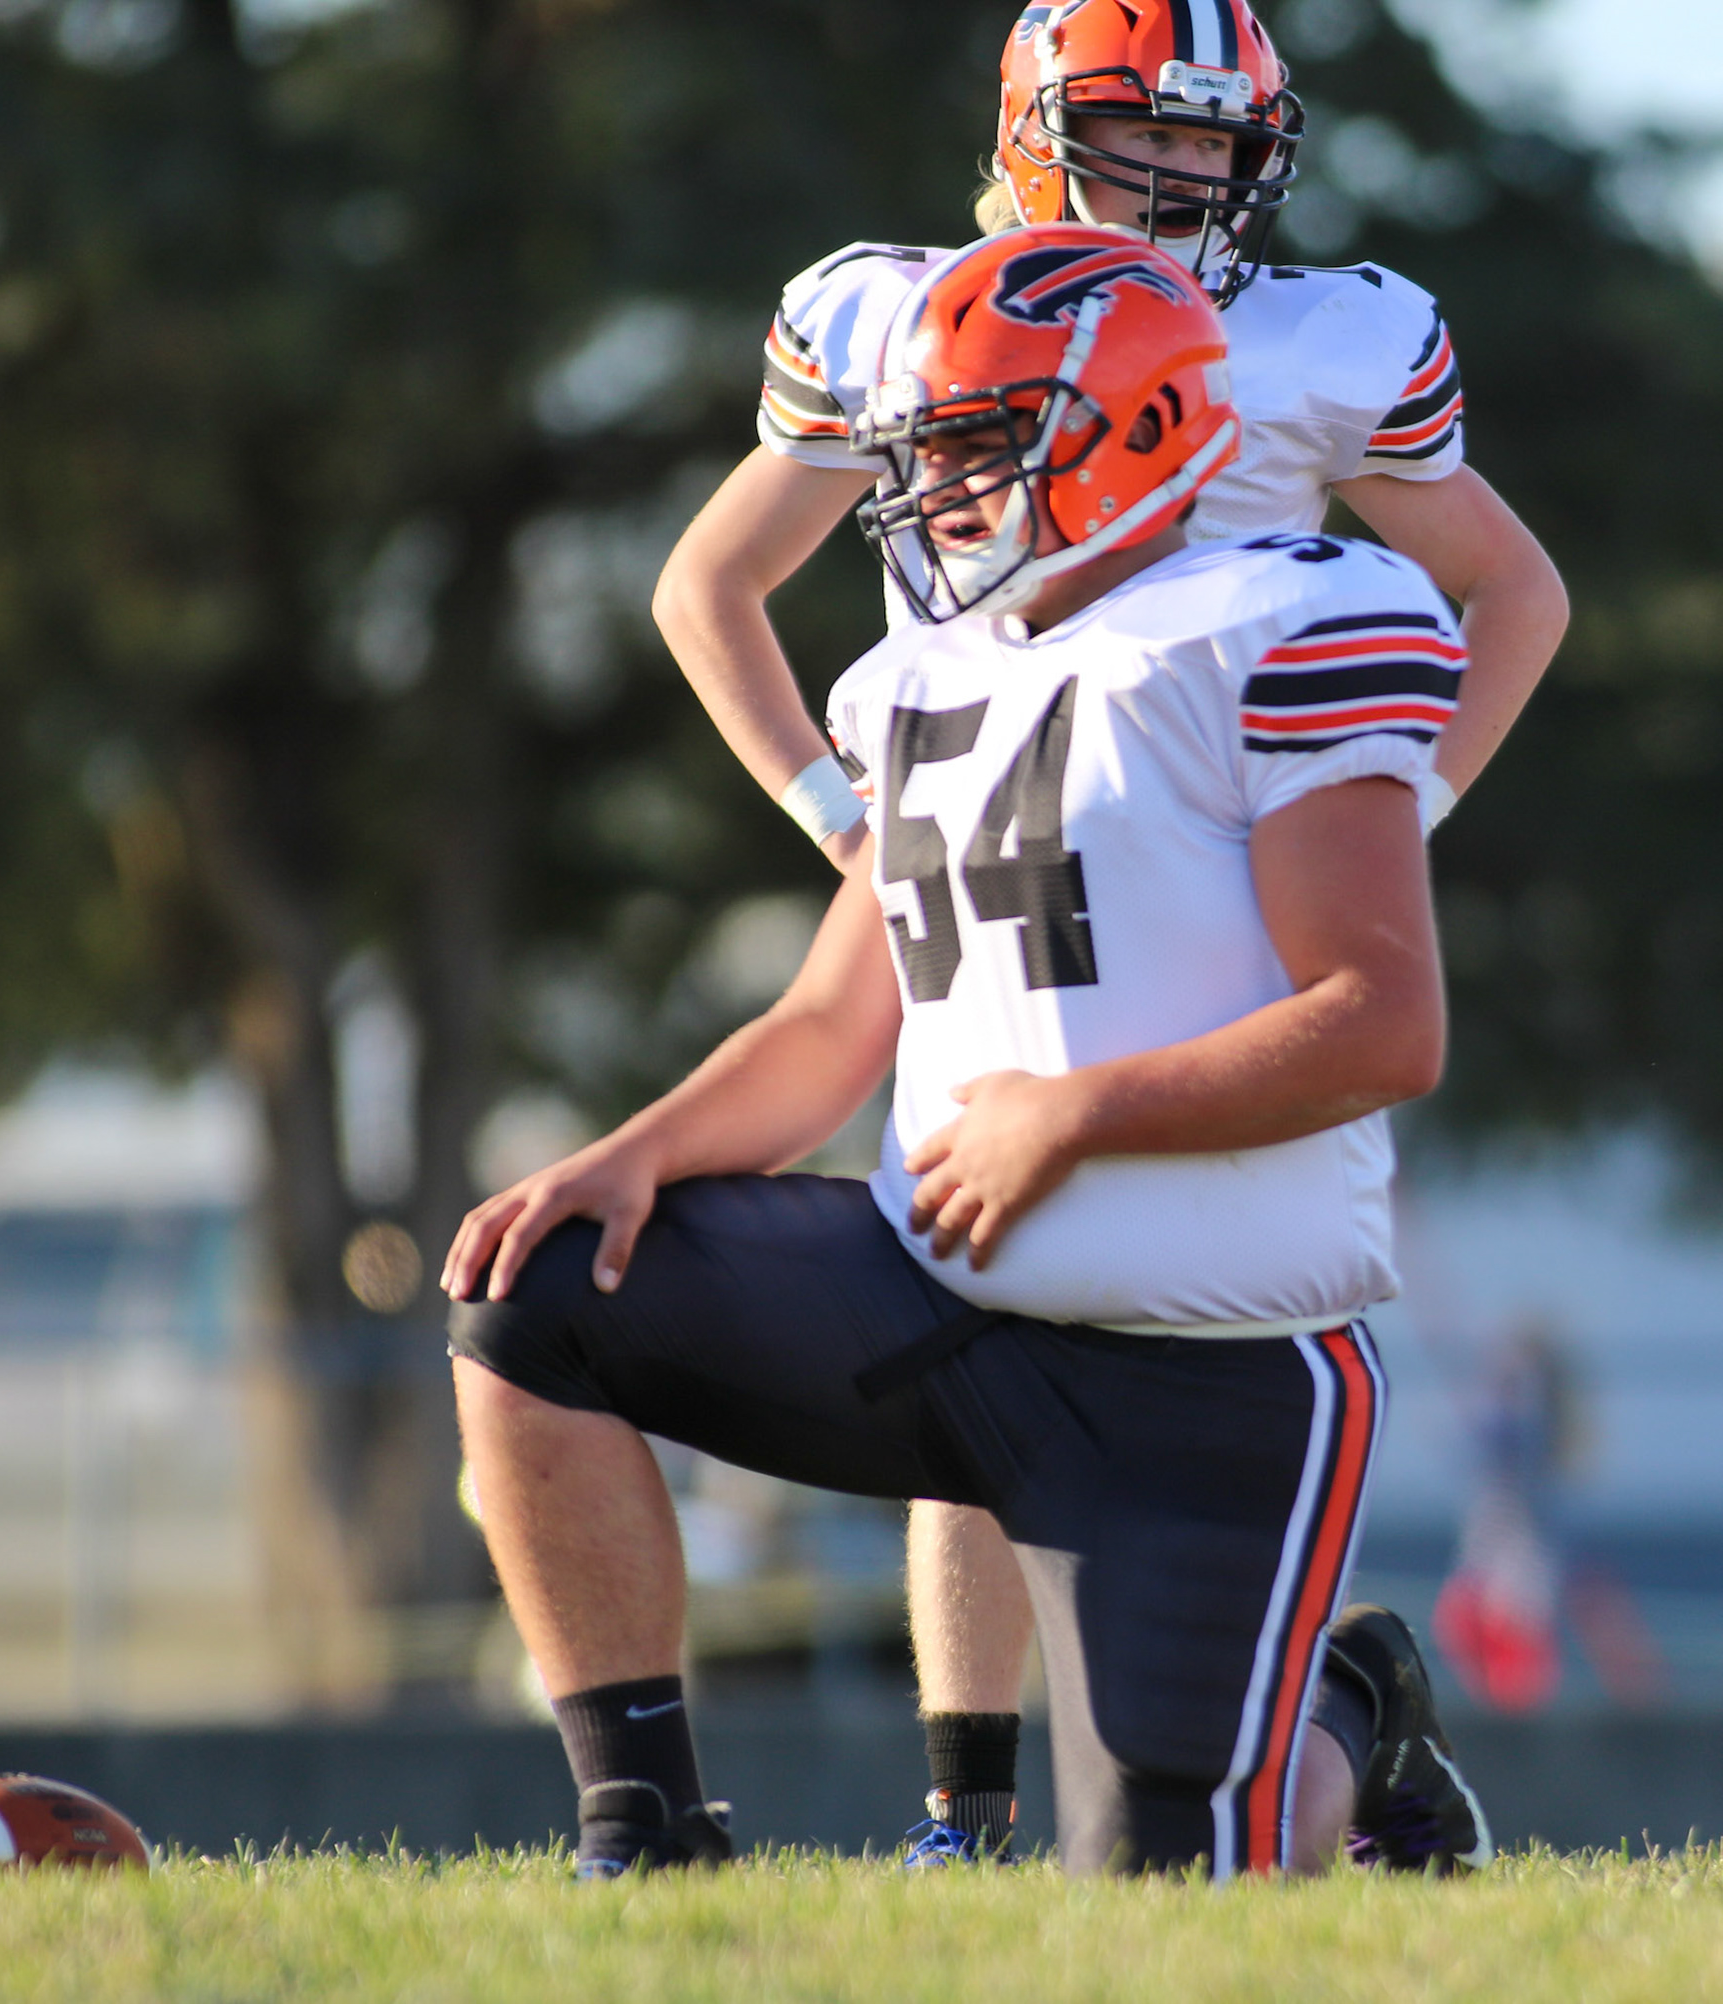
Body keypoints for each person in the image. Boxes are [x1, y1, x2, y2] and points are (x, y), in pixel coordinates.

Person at [446, 227, 1490, 1879]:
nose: (936, 497)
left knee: (1187, 1892)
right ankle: (642, 1830)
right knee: (538, 1284)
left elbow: (1383, 1021)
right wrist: (632, 1152)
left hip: (1204, 1379)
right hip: (939, 1312)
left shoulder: (1292, 621)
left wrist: (1077, 1118)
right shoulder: (924, 673)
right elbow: (828, 1027)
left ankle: (1354, 1705)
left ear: (1139, 434)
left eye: (986, 450)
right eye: (930, 455)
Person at [649, 0, 1563, 1864]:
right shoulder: (896, 315)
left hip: (1197, 844)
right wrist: (847, 829)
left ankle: (1250, 1732)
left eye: (1217, 145)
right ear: (1035, 123)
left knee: (1094, 1274)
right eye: (1146, 133)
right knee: (955, 1270)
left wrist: (1406, 805)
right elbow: (712, 582)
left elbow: (1513, 591)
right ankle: (970, 1805)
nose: (1186, 178)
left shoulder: (1319, 338)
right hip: (982, 838)